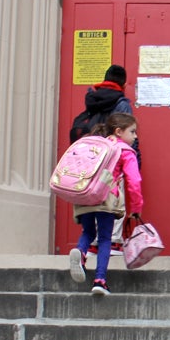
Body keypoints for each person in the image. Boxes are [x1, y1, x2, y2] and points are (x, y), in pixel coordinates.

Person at [68, 113, 143, 296]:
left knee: (88, 232)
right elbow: (134, 181)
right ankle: (100, 280)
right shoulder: (124, 151)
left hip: (84, 195)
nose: (135, 136)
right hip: (105, 199)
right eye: (132, 132)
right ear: (118, 132)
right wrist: (136, 208)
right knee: (104, 239)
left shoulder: (94, 145)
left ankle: (81, 252)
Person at [69, 64, 136, 251]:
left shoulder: (92, 97)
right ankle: (113, 241)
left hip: (91, 159)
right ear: (122, 83)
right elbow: (126, 133)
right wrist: (134, 159)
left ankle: (92, 244)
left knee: (94, 197)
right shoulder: (121, 103)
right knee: (115, 198)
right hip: (113, 159)